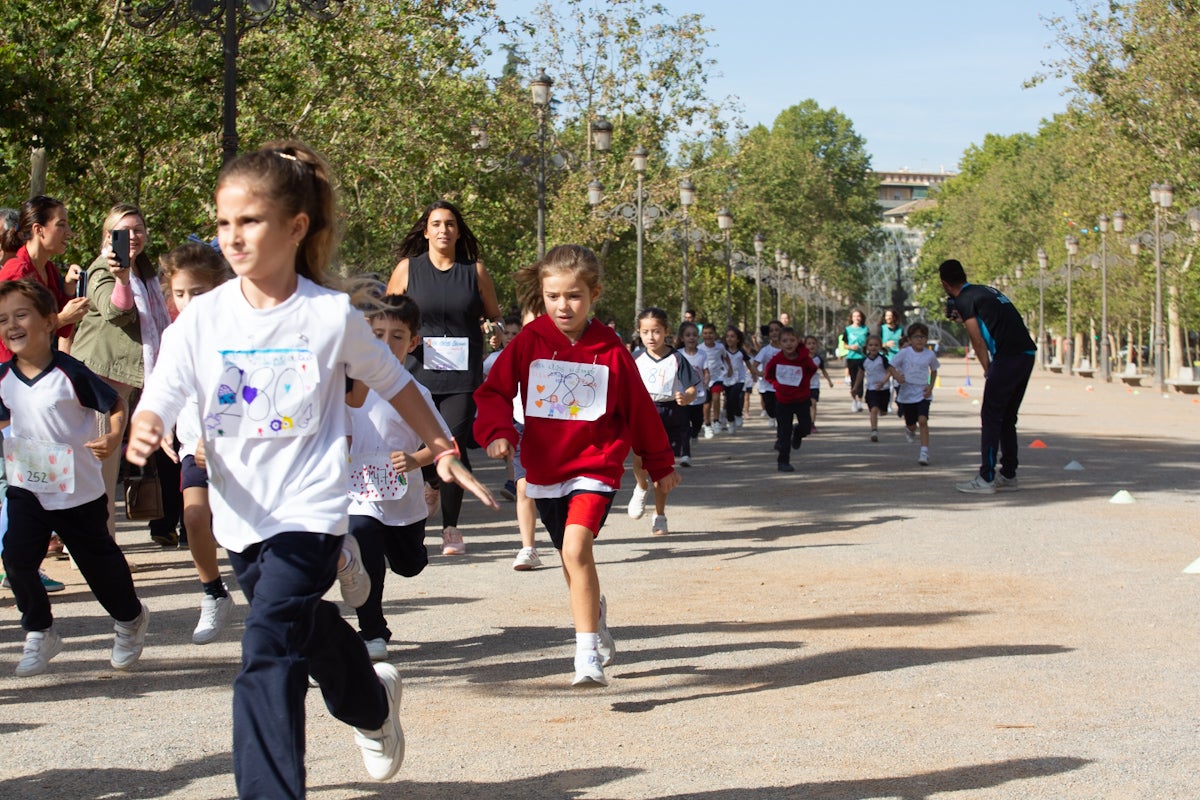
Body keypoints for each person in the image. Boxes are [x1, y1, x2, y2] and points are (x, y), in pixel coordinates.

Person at [124, 141, 498, 795]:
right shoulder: (205, 316)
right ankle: (373, 705)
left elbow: (397, 384)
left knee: (265, 648)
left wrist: (443, 446)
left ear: (295, 228)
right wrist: (149, 421)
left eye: (250, 221)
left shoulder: (328, 316)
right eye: (223, 223)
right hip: (241, 514)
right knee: (305, 627)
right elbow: (167, 383)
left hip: (310, 511)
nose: (233, 237)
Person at [474, 244, 678, 687]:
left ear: (594, 295)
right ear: (541, 296)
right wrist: (498, 433)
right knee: (573, 558)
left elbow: (640, 410)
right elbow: (492, 392)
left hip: (597, 466)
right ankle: (596, 613)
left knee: (574, 549)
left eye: (573, 296)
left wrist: (660, 463)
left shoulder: (611, 349)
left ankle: (586, 654)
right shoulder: (529, 342)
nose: (562, 306)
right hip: (545, 470)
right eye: (552, 297)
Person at [0, 279, 148, 677]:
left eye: (21, 315)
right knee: (15, 558)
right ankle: (39, 630)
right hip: (27, 488)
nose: (11, 325)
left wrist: (114, 435)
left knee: (99, 568)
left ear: (50, 322)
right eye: (3, 319)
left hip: (75, 492)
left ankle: (130, 618)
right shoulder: (3, 378)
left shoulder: (70, 372)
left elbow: (114, 403)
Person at [385, 200, 503, 557]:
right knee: (426, 446)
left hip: (461, 376)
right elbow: (389, 316)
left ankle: (450, 528)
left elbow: (495, 317)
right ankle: (434, 479)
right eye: (436, 224)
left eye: (450, 224)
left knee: (450, 444)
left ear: (457, 230)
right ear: (426, 231)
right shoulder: (408, 269)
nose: (443, 230)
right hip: (415, 373)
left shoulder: (475, 271)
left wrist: (494, 330)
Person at [348, 294, 451, 662]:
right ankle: (373, 631)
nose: (386, 344)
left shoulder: (416, 393)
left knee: (409, 566)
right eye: (377, 335)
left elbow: (442, 445)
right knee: (363, 543)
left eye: (396, 336)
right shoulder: (345, 390)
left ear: (413, 342)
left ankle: (411, 554)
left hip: (404, 504)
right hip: (358, 495)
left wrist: (414, 459)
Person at [71, 204, 178, 546]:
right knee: (97, 473)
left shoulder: (145, 273)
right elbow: (116, 311)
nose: (133, 236)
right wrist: (120, 278)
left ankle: (101, 547)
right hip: (98, 384)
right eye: (124, 230)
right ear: (108, 235)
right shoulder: (104, 268)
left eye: (138, 229)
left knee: (105, 470)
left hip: (123, 387)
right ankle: (98, 551)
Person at [157, 242, 239, 644]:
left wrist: (222, 435)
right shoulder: (173, 336)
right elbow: (166, 387)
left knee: (249, 533)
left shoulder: (241, 329)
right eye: (179, 294)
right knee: (193, 517)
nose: (188, 303)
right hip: (195, 446)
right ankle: (213, 592)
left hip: (244, 448)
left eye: (198, 293)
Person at [940, 258, 1036, 494]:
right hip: (1026, 353)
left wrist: (987, 368)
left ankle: (986, 478)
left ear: (944, 283)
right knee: (1007, 416)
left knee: (991, 416)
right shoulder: (986, 291)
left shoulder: (963, 298)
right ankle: (1009, 474)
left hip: (1007, 358)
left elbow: (977, 339)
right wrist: (963, 316)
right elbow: (992, 320)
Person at [627, 307, 699, 535]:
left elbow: (692, 388)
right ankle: (641, 487)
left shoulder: (677, 358)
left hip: (669, 415)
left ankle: (660, 515)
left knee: (662, 470)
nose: (651, 337)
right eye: (645, 332)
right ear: (639, 332)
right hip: (642, 413)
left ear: (666, 331)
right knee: (639, 462)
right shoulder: (635, 357)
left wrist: (686, 397)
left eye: (656, 331)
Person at [0, 196, 89, 358]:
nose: (68, 232)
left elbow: (62, 330)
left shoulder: (50, 270)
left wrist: (68, 289)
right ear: (38, 229)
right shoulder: (17, 272)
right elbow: (16, 332)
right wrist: (61, 318)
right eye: (61, 225)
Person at [764, 327, 817, 473]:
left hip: (801, 399)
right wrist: (777, 385)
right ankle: (783, 462)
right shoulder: (777, 360)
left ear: (798, 342)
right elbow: (768, 374)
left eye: (792, 340)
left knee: (806, 427)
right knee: (784, 433)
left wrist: (804, 384)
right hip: (783, 401)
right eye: (785, 341)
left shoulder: (804, 358)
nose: (789, 344)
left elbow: (812, 369)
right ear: (780, 343)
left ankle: (798, 432)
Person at [888, 322, 939, 466]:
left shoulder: (930, 354)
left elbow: (934, 371)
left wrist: (930, 387)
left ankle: (924, 452)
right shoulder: (904, 353)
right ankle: (909, 430)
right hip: (907, 394)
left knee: (923, 420)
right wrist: (897, 376)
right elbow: (891, 366)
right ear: (909, 340)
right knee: (912, 424)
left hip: (923, 393)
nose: (920, 340)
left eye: (923, 337)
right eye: (916, 337)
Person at [677, 320, 709, 454]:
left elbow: (706, 371)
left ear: (698, 337)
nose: (691, 338)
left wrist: (706, 382)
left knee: (697, 421)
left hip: (699, 395)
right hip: (683, 396)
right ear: (682, 338)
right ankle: (686, 454)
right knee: (684, 425)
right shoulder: (678, 354)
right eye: (688, 335)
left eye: (694, 335)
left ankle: (695, 434)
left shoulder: (702, 355)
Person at [852, 335, 890, 442]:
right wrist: (855, 387)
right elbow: (860, 374)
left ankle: (883, 410)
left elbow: (889, 372)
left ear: (880, 347)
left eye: (876, 345)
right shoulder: (864, 361)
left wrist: (883, 382)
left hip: (884, 390)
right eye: (871, 345)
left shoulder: (883, 359)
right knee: (873, 409)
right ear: (867, 347)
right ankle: (874, 430)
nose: (873, 347)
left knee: (883, 411)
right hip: (871, 389)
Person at [699, 323, 730, 436]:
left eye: (711, 333)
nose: (708, 336)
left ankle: (716, 421)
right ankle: (707, 424)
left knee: (716, 398)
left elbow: (726, 357)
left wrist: (729, 369)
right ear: (702, 335)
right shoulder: (700, 348)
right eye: (705, 333)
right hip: (704, 380)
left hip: (717, 377)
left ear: (715, 335)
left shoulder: (720, 347)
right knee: (706, 404)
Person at [751, 320, 782, 424]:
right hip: (768, 385)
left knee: (782, 408)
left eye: (777, 330)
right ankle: (772, 416)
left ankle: (782, 425)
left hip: (782, 385)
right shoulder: (765, 350)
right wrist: (758, 373)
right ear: (768, 334)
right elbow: (754, 365)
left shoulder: (787, 349)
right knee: (770, 408)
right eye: (771, 331)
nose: (774, 333)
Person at [840, 308, 869, 412]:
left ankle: (860, 401)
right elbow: (844, 344)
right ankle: (854, 401)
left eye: (859, 316)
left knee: (861, 380)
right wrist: (851, 347)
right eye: (855, 316)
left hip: (863, 357)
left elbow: (869, 342)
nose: (857, 318)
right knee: (853, 379)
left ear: (861, 318)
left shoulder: (865, 329)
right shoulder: (848, 329)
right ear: (851, 318)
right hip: (852, 357)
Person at [805, 334, 834, 431]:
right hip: (803, 386)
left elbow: (823, 371)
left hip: (814, 385)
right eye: (809, 344)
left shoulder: (818, 359)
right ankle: (805, 422)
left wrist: (829, 381)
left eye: (813, 343)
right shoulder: (801, 358)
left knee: (813, 404)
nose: (811, 346)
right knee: (804, 406)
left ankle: (812, 423)